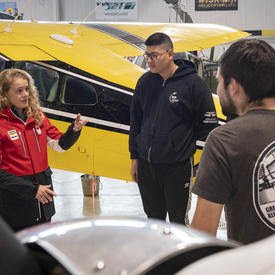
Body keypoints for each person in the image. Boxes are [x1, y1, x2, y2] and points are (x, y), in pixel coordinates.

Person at [191, 39, 275, 244]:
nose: (219, 90)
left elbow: (203, 234)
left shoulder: (224, 141)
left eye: (220, 82)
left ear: (234, 87)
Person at [129, 32, 218, 224]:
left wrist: (181, 142)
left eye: (154, 55)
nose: (149, 60)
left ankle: (182, 254)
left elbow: (208, 127)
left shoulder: (194, 84)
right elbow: (135, 122)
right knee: (153, 220)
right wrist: (134, 157)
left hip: (177, 167)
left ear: (170, 53)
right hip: (146, 165)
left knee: (178, 220)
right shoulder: (144, 83)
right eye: (147, 55)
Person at [0, 68, 88, 231]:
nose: (25, 94)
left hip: (44, 193)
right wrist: (32, 189)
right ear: (5, 95)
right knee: (21, 248)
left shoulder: (38, 116)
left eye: (27, 89)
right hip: (16, 199)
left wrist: (73, 131)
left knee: (42, 241)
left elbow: (59, 145)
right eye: (19, 91)